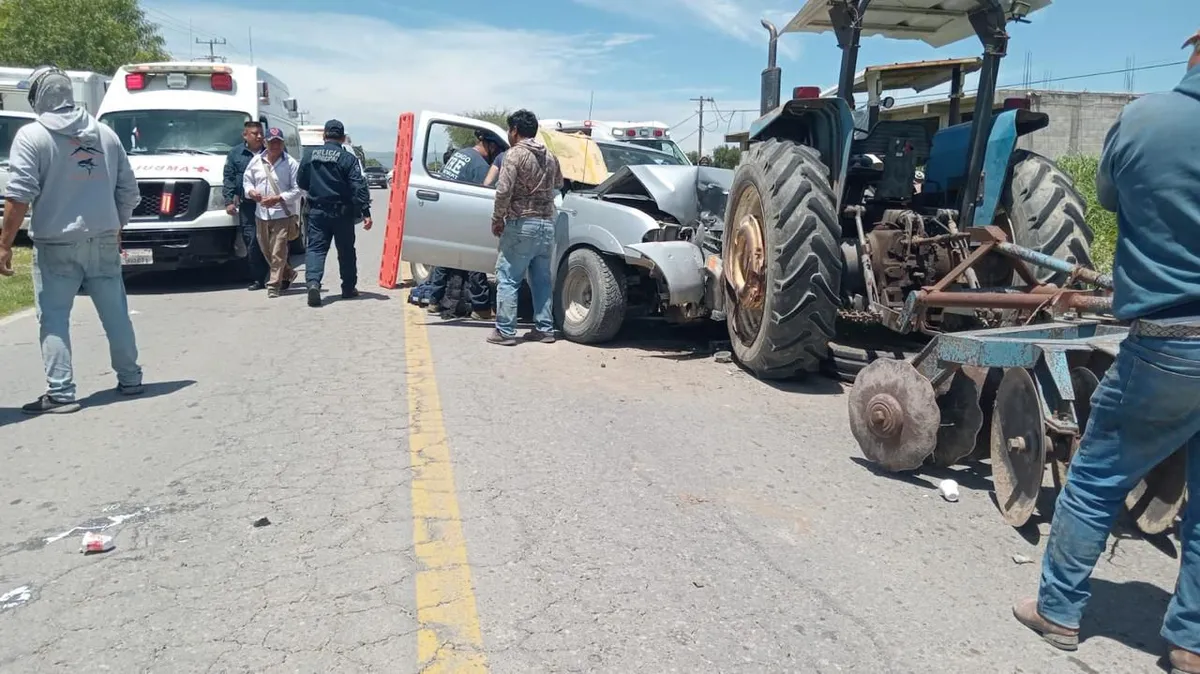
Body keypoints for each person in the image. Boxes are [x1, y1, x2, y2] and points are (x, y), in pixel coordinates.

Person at [1013, 37, 1200, 673]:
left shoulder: (1144, 119)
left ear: (1195, 52)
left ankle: (1058, 611)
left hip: (1169, 343)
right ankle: (1190, 642)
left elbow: (1113, 197)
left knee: (1094, 479)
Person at [0, 66, 143, 414]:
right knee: (116, 314)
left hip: (56, 244)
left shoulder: (32, 136)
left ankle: (62, 393)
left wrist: (4, 244)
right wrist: (116, 224)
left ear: (37, 97)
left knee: (53, 318)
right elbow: (129, 192)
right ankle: (131, 379)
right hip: (103, 238)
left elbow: (19, 196)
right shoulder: (105, 134)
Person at [488, 109, 562, 346]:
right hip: (546, 224)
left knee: (508, 277)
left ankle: (505, 331)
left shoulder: (514, 154)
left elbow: (503, 190)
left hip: (521, 224)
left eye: (509, 130)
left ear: (515, 130)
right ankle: (544, 329)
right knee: (541, 281)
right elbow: (559, 183)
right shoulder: (550, 156)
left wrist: (497, 218)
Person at [424, 129, 505, 319]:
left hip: (446, 212)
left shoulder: (461, 154)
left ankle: (434, 301)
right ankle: (481, 307)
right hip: (463, 216)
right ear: (492, 146)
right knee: (474, 259)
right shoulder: (480, 166)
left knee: (445, 258)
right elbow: (487, 194)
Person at [297, 119, 372, 308]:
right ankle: (348, 288)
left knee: (316, 249)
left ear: (324, 136)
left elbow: (301, 182)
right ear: (343, 137)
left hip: (317, 211)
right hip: (342, 213)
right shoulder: (348, 159)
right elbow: (358, 186)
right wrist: (365, 211)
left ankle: (313, 283)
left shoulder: (309, 155)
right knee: (346, 251)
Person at [243, 127, 302, 298]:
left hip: (282, 214)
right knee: (266, 250)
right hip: (261, 213)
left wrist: (278, 198)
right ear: (265, 143)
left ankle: (274, 285)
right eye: (271, 142)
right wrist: (251, 192)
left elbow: (298, 189)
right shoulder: (256, 161)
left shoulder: (291, 163)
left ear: (283, 143)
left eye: (278, 142)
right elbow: (247, 182)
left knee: (278, 250)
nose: (275, 146)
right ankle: (288, 273)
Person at [223, 121, 268, 290]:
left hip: (269, 204)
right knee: (252, 241)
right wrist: (229, 201)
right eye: (255, 133)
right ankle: (259, 278)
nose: (259, 136)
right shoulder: (235, 154)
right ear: (245, 135)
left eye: (261, 133)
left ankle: (277, 276)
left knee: (273, 241)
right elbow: (229, 178)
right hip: (248, 206)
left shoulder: (271, 150)